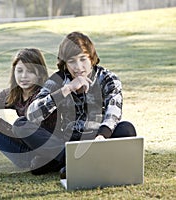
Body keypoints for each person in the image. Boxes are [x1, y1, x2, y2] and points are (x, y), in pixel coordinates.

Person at [12, 31, 137, 177]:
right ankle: (77, 161)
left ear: (92, 59)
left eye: (83, 59)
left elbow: (113, 111)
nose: (78, 67)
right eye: (71, 61)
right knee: (21, 124)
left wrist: (102, 136)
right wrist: (67, 89)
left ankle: (67, 162)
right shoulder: (57, 80)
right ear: (65, 64)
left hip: (99, 138)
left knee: (127, 129)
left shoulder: (108, 78)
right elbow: (32, 114)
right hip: (68, 142)